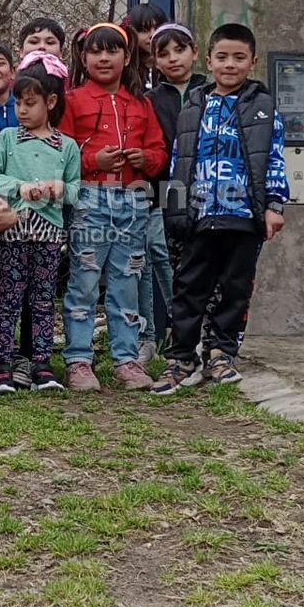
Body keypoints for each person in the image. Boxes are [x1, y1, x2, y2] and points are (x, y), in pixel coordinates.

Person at [158, 23, 288, 395]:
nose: (230, 65)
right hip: (198, 216)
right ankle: (181, 358)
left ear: (252, 62)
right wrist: (176, 210)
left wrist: (274, 205)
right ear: (209, 59)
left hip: (244, 216)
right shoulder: (194, 105)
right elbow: (178, 162)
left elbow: (274, 159)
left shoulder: (262, 107)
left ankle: (221, 353)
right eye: (222, 57)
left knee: (234, 288)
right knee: (189, 287)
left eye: (239, 58)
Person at [60, 22, 168, 391]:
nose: (103, 58)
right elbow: (61, 150)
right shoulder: (71, 100)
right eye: (95, 51)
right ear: (83, 57)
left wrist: (144, 158)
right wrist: (94, 160)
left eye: (112, 51)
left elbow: (159, 152)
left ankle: (127, 360)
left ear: (126, 57)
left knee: (127, 282)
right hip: (90, 199)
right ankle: (78, 360)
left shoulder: (141, 103)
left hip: (134, 200)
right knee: (85, 281)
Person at [0, 56, 80, 393]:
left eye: (30, 103)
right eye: (18, 102)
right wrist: (19, 189)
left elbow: (77, 188)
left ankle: (42, 363)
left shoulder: (67, 147)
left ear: (51, 103)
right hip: (13, 230)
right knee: (8, 296)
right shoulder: (7, 138)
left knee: (42, 298)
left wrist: (60, 189)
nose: (21, 110)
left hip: (49, 233)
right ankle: (3, 364)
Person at [140, 22, 205, 360]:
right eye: (163, 54)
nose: (173, 59)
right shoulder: (151, 100)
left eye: (180, 50)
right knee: (161, 259)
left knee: (204, 263)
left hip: (208, 191)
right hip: (164, 190)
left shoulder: (210, 92)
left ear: (195, 52)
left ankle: (204, 338)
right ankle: (166, 334)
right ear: (154, 62)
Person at [126, 3, 168, 89]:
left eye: (158, 28)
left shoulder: (173, 65)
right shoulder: (125, 70)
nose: (153, 35)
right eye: (144, 30)